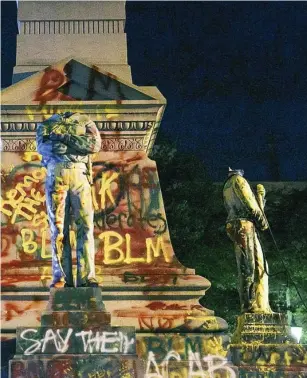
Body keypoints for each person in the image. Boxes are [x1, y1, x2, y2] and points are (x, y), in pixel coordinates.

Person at [36, 112, 101, 288]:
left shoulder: (85, 120)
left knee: (86, 226)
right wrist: (75, 144)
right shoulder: (47, 124)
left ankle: (87, 277)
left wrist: (64, 138)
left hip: (80, 174)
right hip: (56, 174)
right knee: (57, 229)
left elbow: (94, 144)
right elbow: (43, 147)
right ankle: (60, 276)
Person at [223, 168, 272, 313]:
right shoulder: (238, 181)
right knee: (249, 266)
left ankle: (257, 303)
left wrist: (260, 199)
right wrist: (262, 220)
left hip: (237, 224)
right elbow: (250, 204)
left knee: (256, 265)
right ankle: (250, 305)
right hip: (243, 225)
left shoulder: (226, 186)